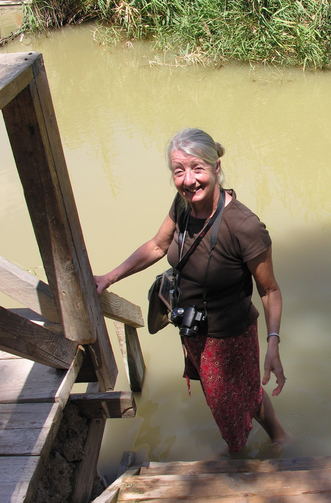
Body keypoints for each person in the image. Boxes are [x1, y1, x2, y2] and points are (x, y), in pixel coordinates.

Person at [94, 128, 288, 453]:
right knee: (245, 392)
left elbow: (269, 290)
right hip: (192, 327)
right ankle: (281, 437)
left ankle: (240, 468)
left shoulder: (244, 227)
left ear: (216, 166)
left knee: (227, 408)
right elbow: (158, 246)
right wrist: (109, 277)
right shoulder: (183, 205)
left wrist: (273, 344)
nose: (188, 180)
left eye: (197, 168)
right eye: (178, 171)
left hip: (228, 339)